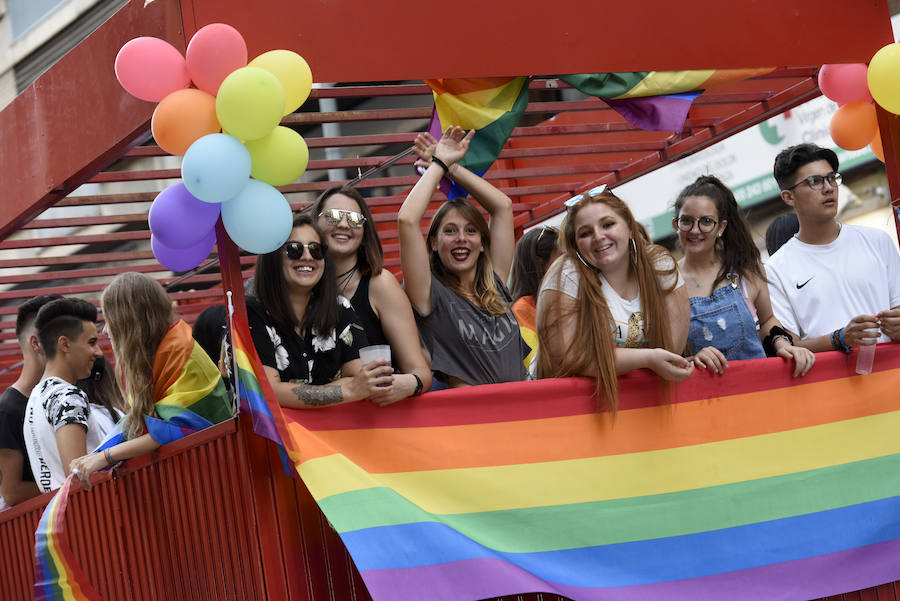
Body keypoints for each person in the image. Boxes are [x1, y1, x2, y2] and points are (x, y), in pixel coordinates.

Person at [68, 273, 233, 489]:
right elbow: (136, 426)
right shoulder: (158, 358)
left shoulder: (181, 352)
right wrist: (96, 455)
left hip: (222, 477)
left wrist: (105, 456)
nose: (106, 331)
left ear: (130, 322)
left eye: (110, 321)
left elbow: (173, 429)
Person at [536, 185, 693, 411]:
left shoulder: (659, 264)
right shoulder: (566, 274)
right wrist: (647, 359)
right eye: (585, 233)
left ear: (629, 227)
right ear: (576, 245)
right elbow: (569, 358)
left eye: (608, 224)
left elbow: (671, 349)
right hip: (572, 410)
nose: (598, 237)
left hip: (641, 407)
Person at [399, 126, 530, 387]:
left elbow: (502, 206)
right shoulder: (428, 294)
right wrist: (438, 164)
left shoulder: (497, 285)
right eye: (450, 231)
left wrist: (453, 167)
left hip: (520, 414)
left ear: (482, 243)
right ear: (434, 244)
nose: (461, 238)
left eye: (471, 230)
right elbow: (407, 220)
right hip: (470, 419)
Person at [673, 175, 815, 376]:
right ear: (675, 224)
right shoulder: (666, 282)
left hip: (758, 390)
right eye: (686, 221)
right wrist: (691, 360)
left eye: (706, 222)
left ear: (721, 227)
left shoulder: (745, 267)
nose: (695, 230)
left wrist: (782, 344)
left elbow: (767, 320)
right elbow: (664, 353)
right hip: (704, 401)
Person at [247, 212, 392, 407]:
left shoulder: (339, 306)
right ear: (273, 257)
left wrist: (350, 388)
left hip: (330, 434)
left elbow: (359, 378)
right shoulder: (251, 310)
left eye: (316, 250)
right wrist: (346, 390)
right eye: (294, 249)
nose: (307, 257)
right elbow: (268, 391)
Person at [766, 144, 900, 352]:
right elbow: (790, 347)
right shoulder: (775, 269)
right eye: (814, 181)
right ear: (788, 197)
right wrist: (840, 338)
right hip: (832, 382)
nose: (828, 187)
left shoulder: (878, 240)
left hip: (891, 377)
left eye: (831, 178)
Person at [312, 186, 432, 402]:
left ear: (365, 230)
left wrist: (405, 383)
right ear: (315, 224)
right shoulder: (302, 286)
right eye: (333, 216)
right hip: (316, 422)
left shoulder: (380, 283)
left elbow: (420, 372)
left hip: (376, 420)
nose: (343, 224)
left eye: (355, 219)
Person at [23, 298, 115, 493]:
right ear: (64, 344)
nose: (98, 352)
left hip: (62, 514)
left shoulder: (36, 396)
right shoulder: (68, 395)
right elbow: (77, 477)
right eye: (91, 342)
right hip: (93, 513)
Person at [0, 295, 60, 507]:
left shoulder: (65, 393)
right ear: (36, 343)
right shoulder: (7, 410)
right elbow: (12, 491)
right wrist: (67, 483)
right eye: (62, 337)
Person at [509, 226, 560, 371]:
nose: (570, 265)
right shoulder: (521, 311)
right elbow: (536, 369)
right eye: (562, 257)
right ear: (540, 263)